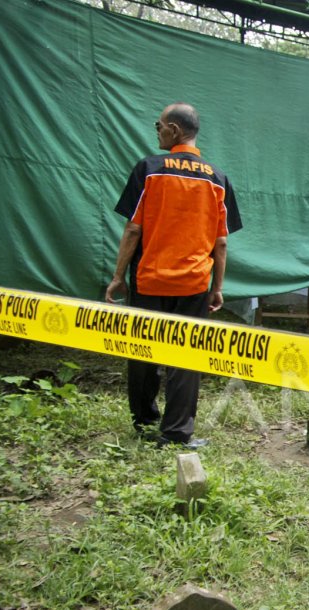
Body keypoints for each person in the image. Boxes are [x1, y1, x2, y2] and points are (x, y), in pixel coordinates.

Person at [106, 102, 242, 449]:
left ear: (175, 130)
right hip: (194, 283)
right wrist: (218, 288)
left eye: (159, 125)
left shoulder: (149, 169)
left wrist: (119, 277)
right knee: (186, 356)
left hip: (150, 280)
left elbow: (133, 230)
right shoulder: (217, 178)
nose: (157, 131)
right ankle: (176, 433)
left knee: (142, 351)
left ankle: (144, 420)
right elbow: (221, 242)